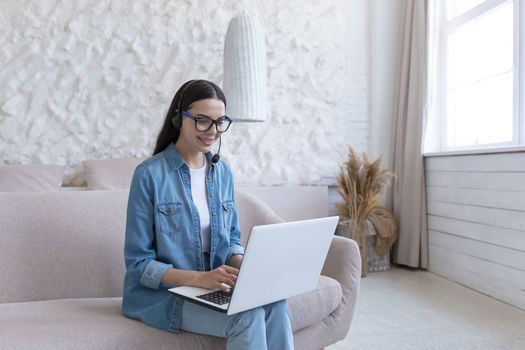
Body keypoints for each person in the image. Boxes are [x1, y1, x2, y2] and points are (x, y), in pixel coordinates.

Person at [122, 79, 294, 350]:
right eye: (202, 121)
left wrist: (248, 265)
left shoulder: (222, 172)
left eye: (220, 122)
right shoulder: (149, 175)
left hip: (212, 289)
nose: (212, 131)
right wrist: (200, 279)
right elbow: (138, 263)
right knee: (247, 317)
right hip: (165, 296)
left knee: (275, 303)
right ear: (179, 119)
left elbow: (232, 239)